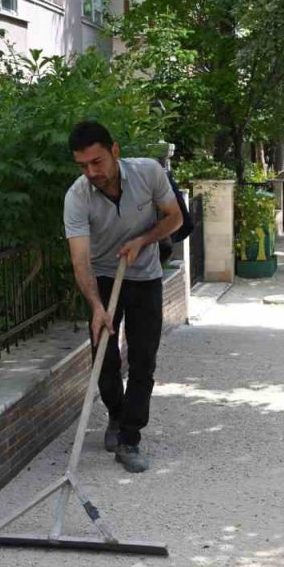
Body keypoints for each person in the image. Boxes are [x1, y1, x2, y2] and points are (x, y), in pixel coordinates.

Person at [64, 120, 184, 473]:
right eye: (83, 165)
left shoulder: (148, 173)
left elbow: (174, 217)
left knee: (144, 358)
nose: (91, 172)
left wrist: (142, 241)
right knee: (105, 359)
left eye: (97, 162)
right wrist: (97, 307)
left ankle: (130, 437)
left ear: (114, 151)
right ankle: (116, 416)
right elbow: (79, 259)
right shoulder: (77, 196)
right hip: (101, 277)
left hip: (145, 276)